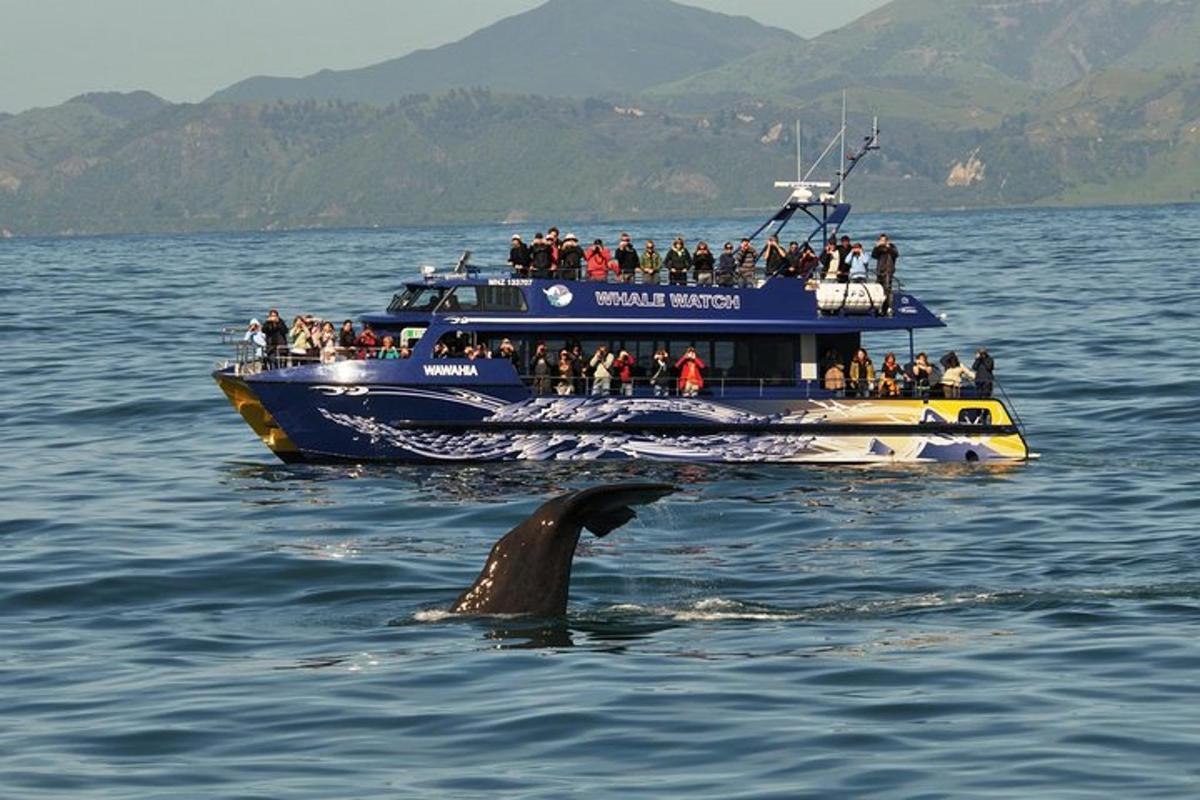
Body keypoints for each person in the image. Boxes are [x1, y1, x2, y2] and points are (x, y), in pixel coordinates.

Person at [871, 234, 899, 314]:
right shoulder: (879, 248)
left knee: (887, 289)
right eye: (881, 240)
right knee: (878, 290)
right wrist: (876, 247)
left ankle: (888, 307)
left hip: (888, 271)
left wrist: (888, 247)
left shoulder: (892, 247)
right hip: (879, 271)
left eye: (884, 240)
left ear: (887, 240)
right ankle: (879, 308)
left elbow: (896, 254)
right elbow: (874, 256)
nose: (882, 242)